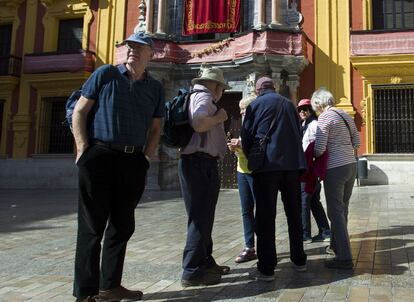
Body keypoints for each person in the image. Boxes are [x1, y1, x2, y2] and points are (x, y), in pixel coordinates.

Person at [72, 32, 164, 302]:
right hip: (99, 156)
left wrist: (146, 156)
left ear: (152, 54)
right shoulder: (105, 74)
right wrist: (82, 150)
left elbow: (157, 127)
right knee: (91, 227)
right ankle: (85, 294)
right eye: (131, 45)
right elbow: (80, 111)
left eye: (140, 47)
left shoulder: (155, 88)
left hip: (133, 161)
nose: (133, 50)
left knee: (122, 226)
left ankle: (110, 286)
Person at [241, 77, 307, 282]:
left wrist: (253, 157)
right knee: (294, 214)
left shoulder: (255, 105)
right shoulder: (288, 104)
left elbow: (246, 137)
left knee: (265, 216)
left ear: (258, 89)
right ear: (275, 88)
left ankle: (267, 267)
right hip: (292, 167)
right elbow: (298, 133)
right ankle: (299, 259)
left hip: (266, 167)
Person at [179, 67, 231, 287]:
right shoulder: (204, 96)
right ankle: (191, 271)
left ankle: (206, 261)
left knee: (203, 215)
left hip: (199, 162)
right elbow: (199, 123)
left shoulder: (198, 95)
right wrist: (219, 117)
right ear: (217, 86)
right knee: (200, 218)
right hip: (199, 162)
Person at [311, 87, 360, 269]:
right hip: (351, 165)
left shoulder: (324, 117)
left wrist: (312, 154)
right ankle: (336, 247)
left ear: (318, 103)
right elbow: (357, 142)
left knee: (334, 211)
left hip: (335, 168)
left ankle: (345, 257)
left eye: (315, 105)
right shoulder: (345, 114)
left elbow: (320, 148)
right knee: (342, 208)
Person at [227, 95, 258, 263]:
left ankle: (266, 244)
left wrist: (241, 146)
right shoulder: (244, 124)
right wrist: (236, 148)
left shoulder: (258, 124)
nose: (240, 112)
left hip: (255, 172)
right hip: (242, 170)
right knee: (246, 210)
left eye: (243, 109)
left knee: (260, 210)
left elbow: (258, 149)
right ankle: (249, 247)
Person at [297, 99, 331, 243]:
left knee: (304, 201)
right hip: (306, 169)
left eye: (305, 109)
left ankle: (305, 234)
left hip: (310, 170)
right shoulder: (303, 125)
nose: (302, 112)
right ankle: (325, 231)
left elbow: (319, 149)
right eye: (300, 109)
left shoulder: (314, 125)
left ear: (311, 110)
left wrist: (317, 170)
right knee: (313, 201)